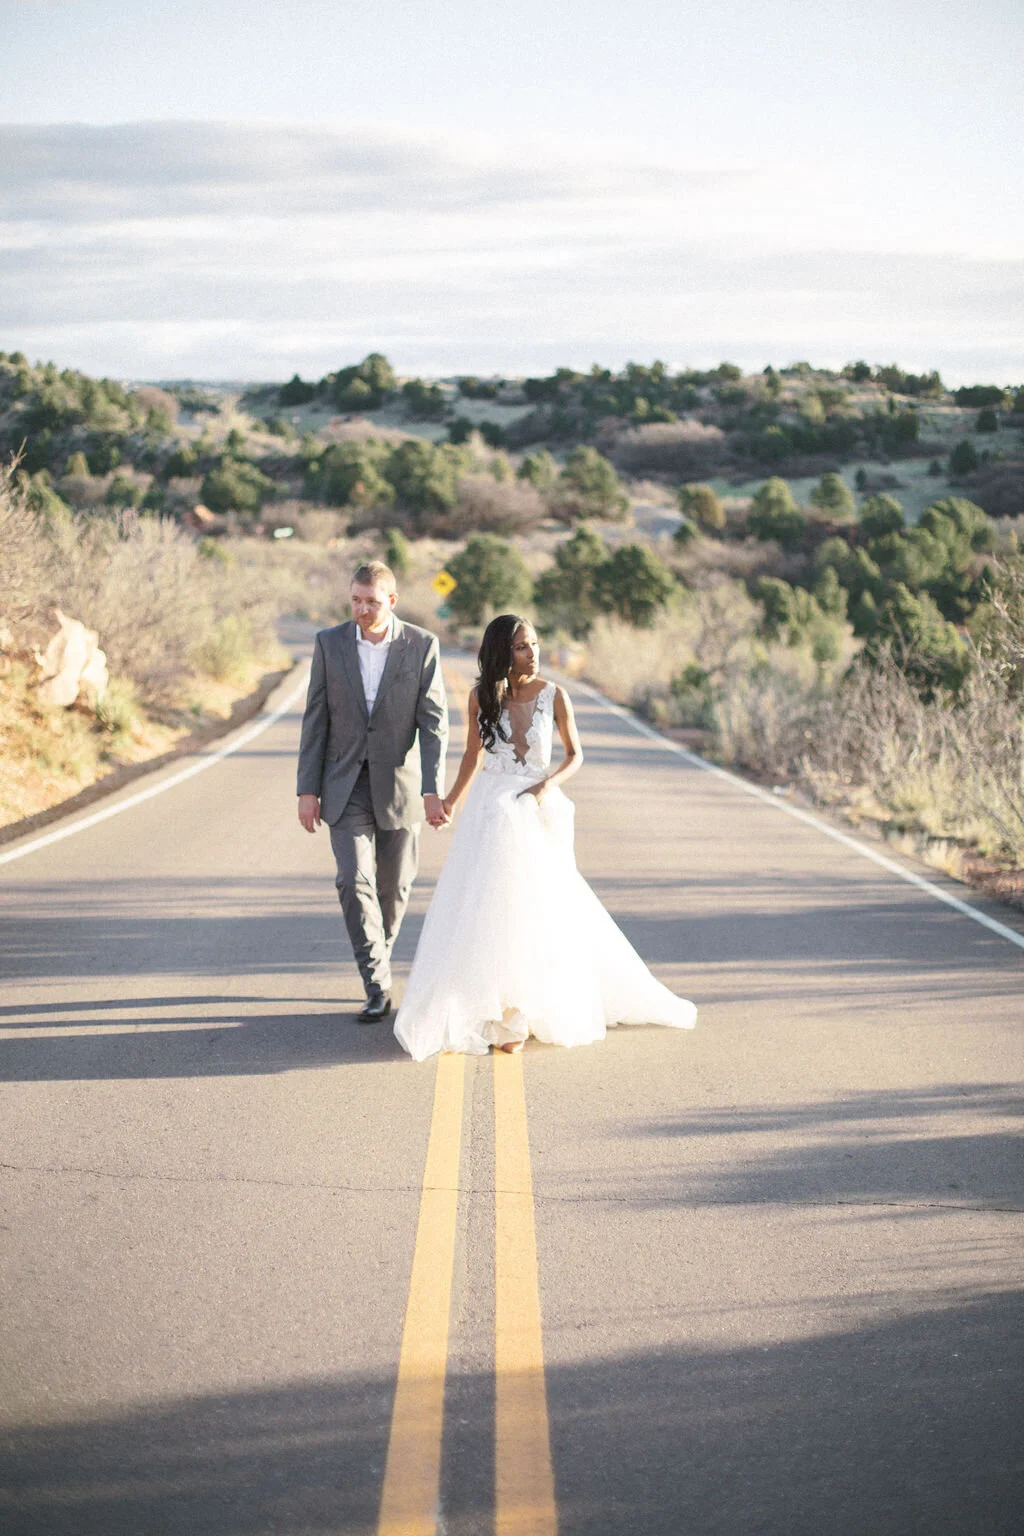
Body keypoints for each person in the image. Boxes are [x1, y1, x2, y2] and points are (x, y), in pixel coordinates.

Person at [394, 614, 696, 1060]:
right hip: (489, 809)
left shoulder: (555, 695)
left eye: (534, 643)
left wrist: (544, 787)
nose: (532, 653)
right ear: (502, 651)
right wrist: (452, 801)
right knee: (486, 908)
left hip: (535, 805)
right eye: (521, 646)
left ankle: (524, 1009)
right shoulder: (481, 697)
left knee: (536, 908)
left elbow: (575, 756)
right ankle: (497, 1008)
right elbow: (473, 755)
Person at [296, 561, 449, 1023]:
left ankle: (375, 958)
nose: (362, 610)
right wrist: (307, 789)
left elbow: (434, 723)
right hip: (343, 784)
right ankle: (377, 983)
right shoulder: (329, 643)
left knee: (393, 888)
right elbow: (315, 718)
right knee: (351, 880)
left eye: (372, 602)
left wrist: (432, 789)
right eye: (356, 600)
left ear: (392, 602)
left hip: (399, 785)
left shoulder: (422, 646)